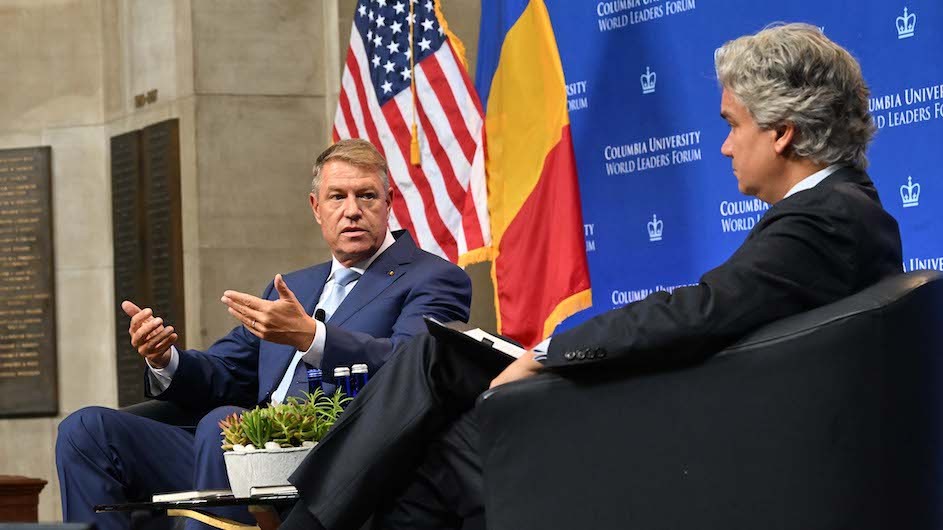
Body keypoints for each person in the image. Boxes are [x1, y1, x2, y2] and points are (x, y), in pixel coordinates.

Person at [280, 23, 903, 530]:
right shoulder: (843, 212)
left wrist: (551, 353)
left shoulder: (828, 219)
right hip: (700, 416)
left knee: (431, 412)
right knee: (435, 368)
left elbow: (701, 311)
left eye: (732, 125)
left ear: (784, 133)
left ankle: (302, 518)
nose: (725, 147)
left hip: (680, 437)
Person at [55, 139, 473, 530]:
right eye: (337, 196)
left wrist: (312, 337)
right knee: (86, 430)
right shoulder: (294, 286)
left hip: (333, 460)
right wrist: (165, 359)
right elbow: (225, 372)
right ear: (315, 207)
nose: (352, 210)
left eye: (366, 195)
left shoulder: (433, 278)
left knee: (224, 425)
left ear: (388, 203)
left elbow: (414, 365)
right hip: (238, 457)